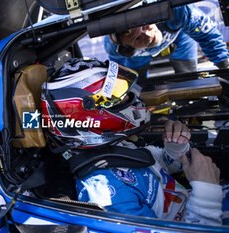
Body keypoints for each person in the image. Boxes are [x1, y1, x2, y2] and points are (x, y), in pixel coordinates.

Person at [41, 58, 224, 225]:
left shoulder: (116, 148)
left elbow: (163, 167)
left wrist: (176, 149)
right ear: (91, 115)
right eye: (118, 96)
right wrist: (206, 196)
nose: (131, 98)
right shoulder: (106, 193)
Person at [104, 3, 229, 82]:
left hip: (179, 40)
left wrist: (225, 65)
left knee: (188, 78)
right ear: (127, 48)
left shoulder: (176, 11)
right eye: (137, 38)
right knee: (135, 85)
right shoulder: (113, 48)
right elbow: (118, 72)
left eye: (144, 27)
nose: (148, 35)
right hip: (140, 55)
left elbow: (207, 35)